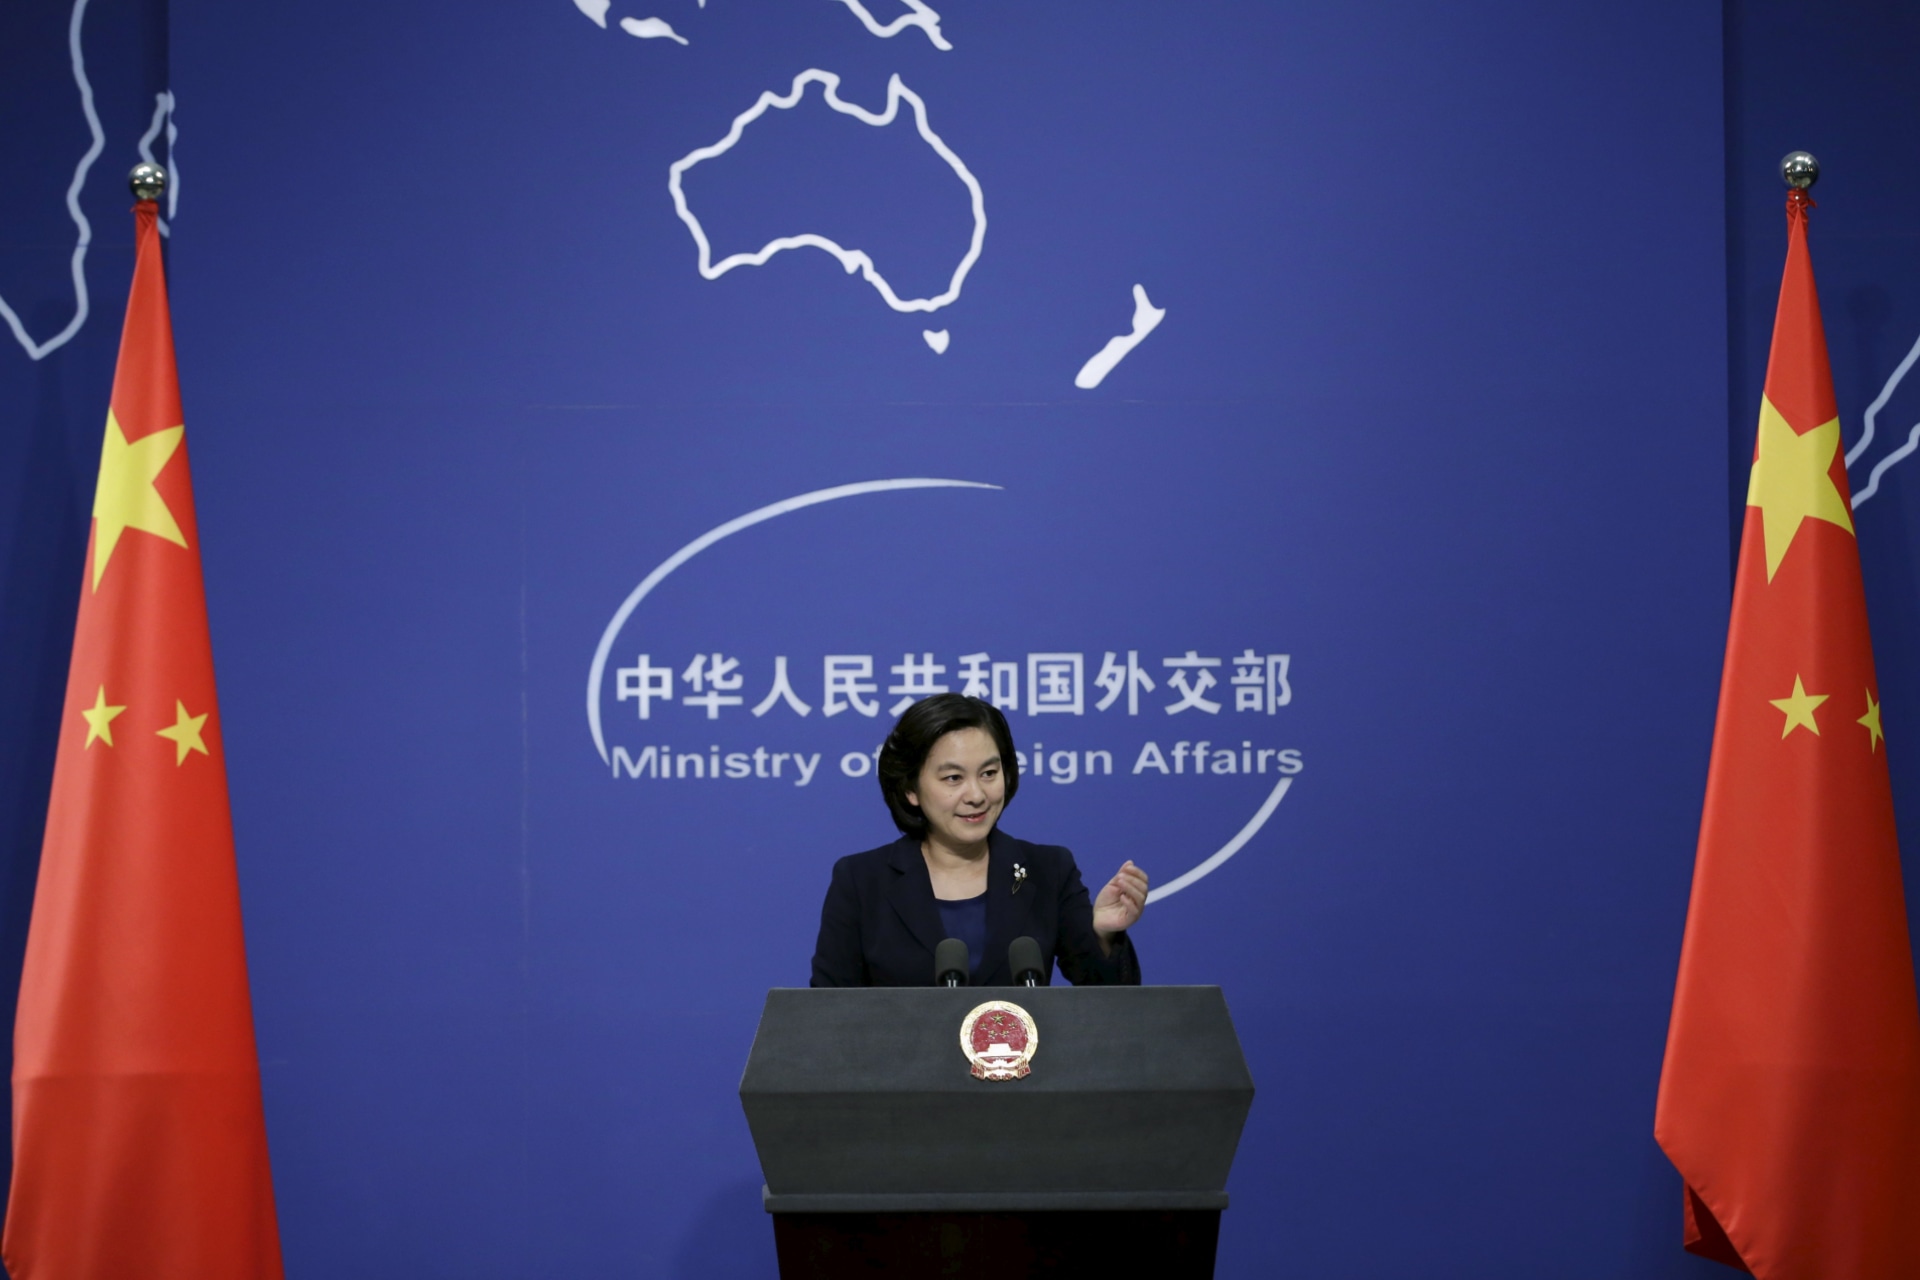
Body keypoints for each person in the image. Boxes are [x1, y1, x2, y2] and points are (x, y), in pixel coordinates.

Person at [810, 693, 1148, 987]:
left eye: (989, 773)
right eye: (953, 778)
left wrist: (1103, 935)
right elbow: (827, 1015)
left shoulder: (1048, 870)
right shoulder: (861, 881)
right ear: (911, 788)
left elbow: (1108, 1006)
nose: (976, 795)